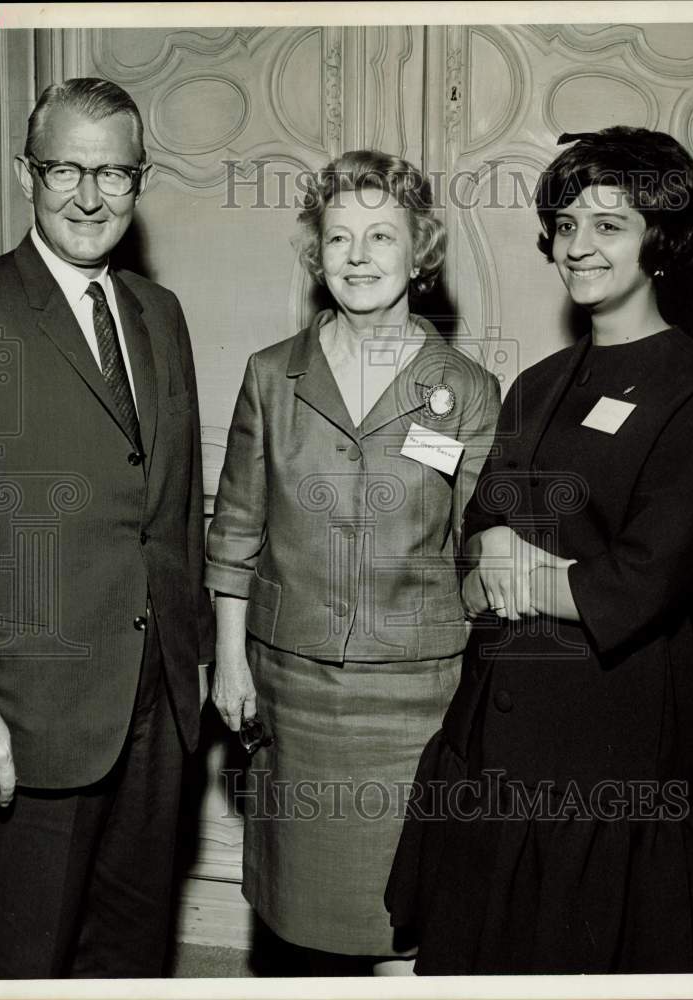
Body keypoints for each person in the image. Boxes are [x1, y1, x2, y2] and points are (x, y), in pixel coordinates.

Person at [385, 126, 693, 974]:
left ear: (663, 240)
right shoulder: (539, 381)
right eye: (567, 224)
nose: (577, 247)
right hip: (492, 728)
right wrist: (494, 558)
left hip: (605, 745)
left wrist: (520, 570)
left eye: (608, 225)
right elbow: (474, 540)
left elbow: (646, 580)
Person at [206, 150, 500, 975]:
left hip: (418, 694)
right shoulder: (272, 374)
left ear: (421, 252)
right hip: (294, 692)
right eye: (339, 237)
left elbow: (477, 542)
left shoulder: (466, 388)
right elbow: (234, 529)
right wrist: (230, 663)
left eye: (381, 236)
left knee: (405, 919)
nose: (359, 256)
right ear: (318, 252)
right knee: (301, 923)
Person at [0, 78, 215, 978]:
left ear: (139, 181)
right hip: (29, 715)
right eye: (65, 168)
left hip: (157, 704)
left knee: (132, 953)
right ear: (29, 173)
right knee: (20, 957)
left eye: (114, 174)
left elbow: (177, 503)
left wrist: (196, 658)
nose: (88, 196)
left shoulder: (159, 312)